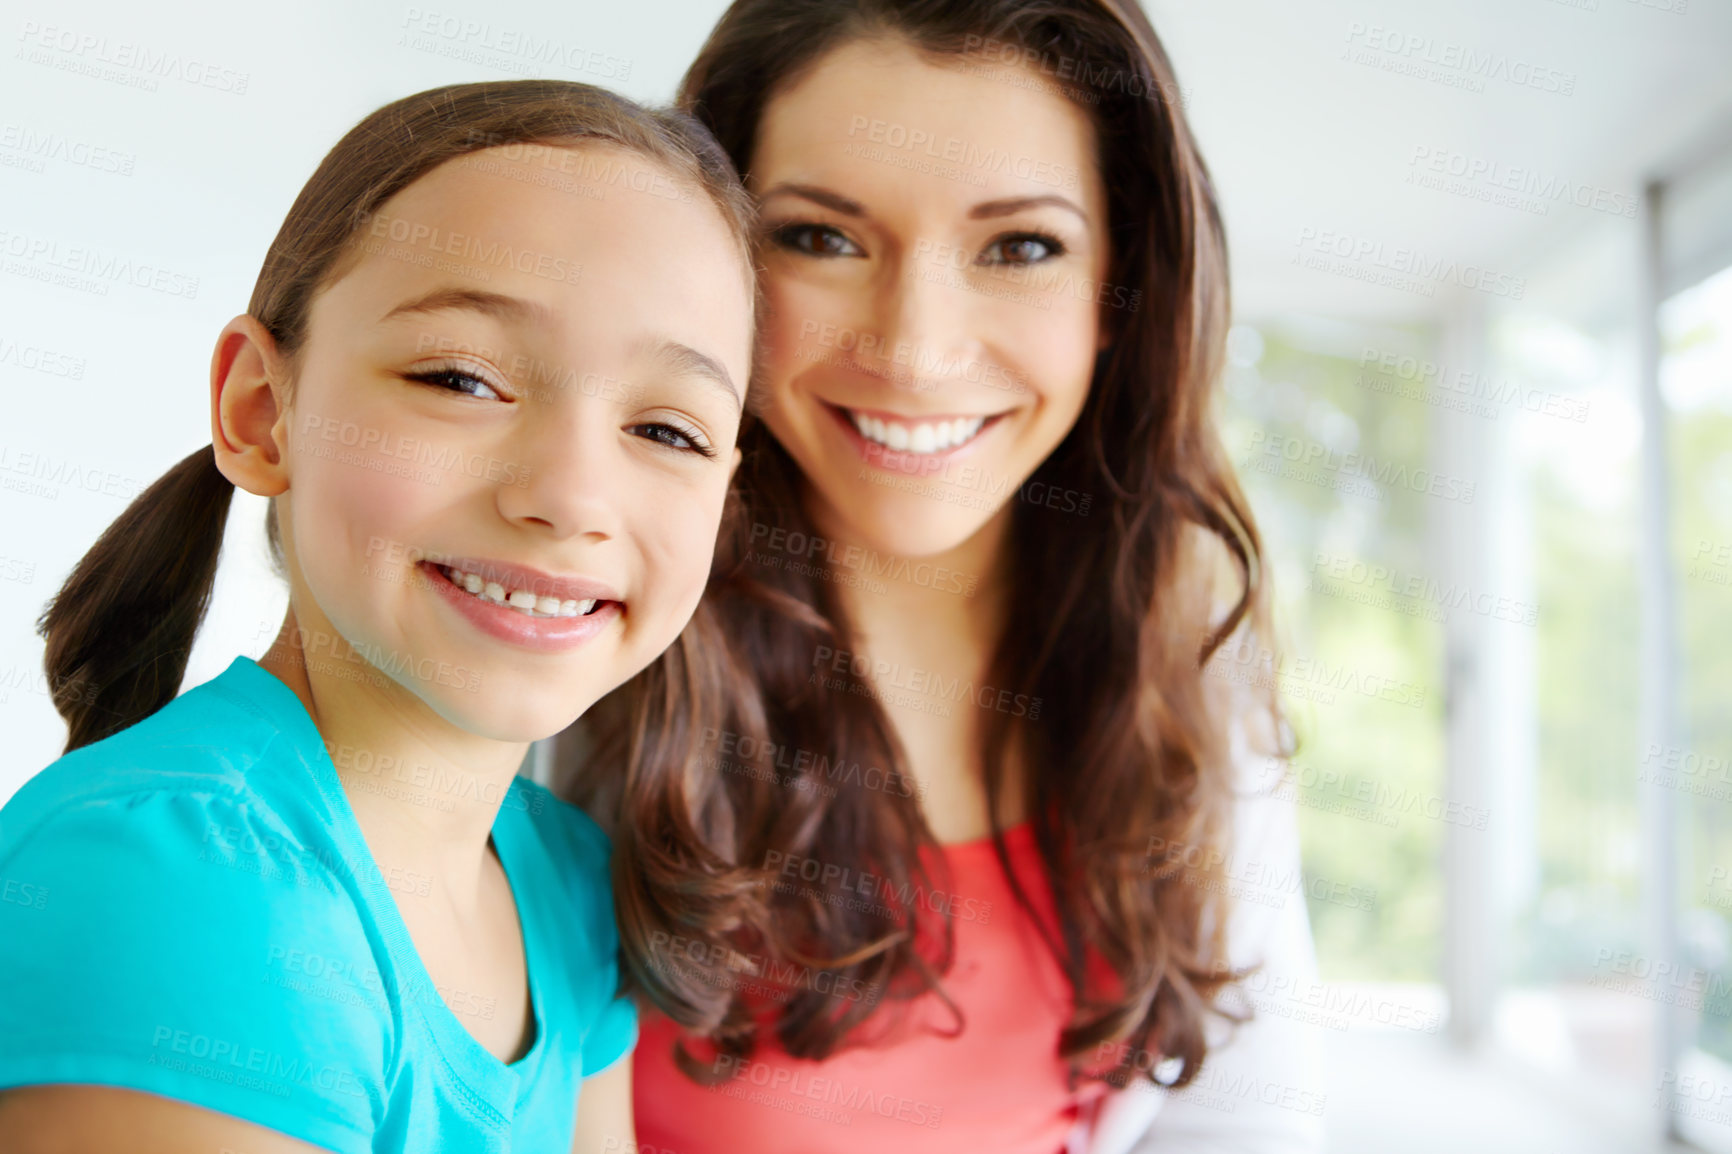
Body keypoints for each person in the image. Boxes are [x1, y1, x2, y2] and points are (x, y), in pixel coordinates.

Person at [561, 1, 1324, 1151]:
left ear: (1125, 282)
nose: (914, 350)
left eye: (1019, 247)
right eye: (821, 236)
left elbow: (1246, 1111)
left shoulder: (1188, 636)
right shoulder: (587, 607)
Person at [0, 80, 755, 1154]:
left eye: (669, 430)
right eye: (461, 377)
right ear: (261, 410)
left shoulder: (567, 882)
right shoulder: (182, 887)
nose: (572, 497)